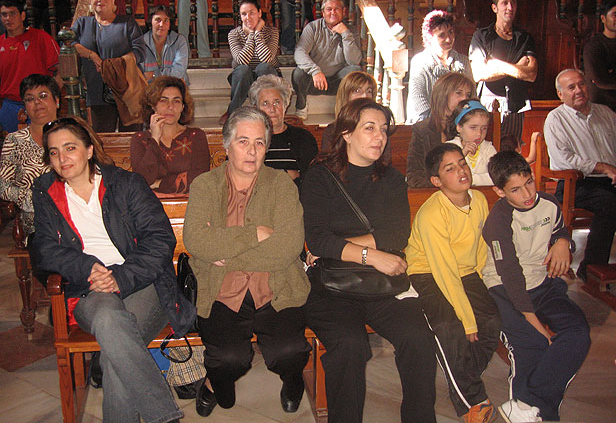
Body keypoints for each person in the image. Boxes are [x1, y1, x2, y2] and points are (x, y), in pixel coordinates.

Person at [32, 116, 194, 423]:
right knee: (108, 318)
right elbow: (44, 248)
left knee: (113, 352)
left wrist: (120, 277)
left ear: (89, 150)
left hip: (145, 284)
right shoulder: (45, 193)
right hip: (88, 288)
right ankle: (163, 415)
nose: (62, 158)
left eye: (70, 148)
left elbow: (159, 239)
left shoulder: (126, 184)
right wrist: (89, 268)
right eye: (54, 152)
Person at [301, 98, 437, 423]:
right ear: (347, 133)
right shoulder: (319, 177)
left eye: (384, 130)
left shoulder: (390, 180)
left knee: (418, 338)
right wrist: (371, 255)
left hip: (383, 285)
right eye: (370, 128)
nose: (380, 137)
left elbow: (396, 235)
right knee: (348, 345)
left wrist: (340, 246)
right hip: (332, 286)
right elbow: (316, 239)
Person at [183, 107, 311, 418]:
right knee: (229, 359)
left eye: (259, 142)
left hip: (276, 284)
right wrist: (256, 233)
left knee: (289, 351)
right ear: (226, 145)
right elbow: (196, 241)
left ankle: (292, 377)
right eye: (243, 141)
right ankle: (216, 383)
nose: (252, 151)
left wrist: (224, 249)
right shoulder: (205, 186)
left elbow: (288, 246)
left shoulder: (281, 184)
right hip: (222, 290)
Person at [483, 150, 590, 422]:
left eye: (529, 182)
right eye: (515, 190)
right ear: (499, 191)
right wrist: (536, 324)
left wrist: (565, 241)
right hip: (504, 288)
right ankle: (539, 410)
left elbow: (559, 230)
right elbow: (510, 276)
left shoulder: (550, 203)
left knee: (578, 332)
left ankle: (525, 405)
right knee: (532, 341)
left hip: (543, 283)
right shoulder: (498, 221)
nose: (527, 194)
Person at [406, 142, 501, 423]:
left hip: (465, 271)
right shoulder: (433, 213)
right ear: (437, 181)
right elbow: (444, 270)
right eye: (450, 168)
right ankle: (472, 402)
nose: (461, 171)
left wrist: (482, 282)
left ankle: (463, 373)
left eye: (462, 163)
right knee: (450, 327)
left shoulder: (480, 200)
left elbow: (482, 248)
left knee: (492, 320)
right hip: (427, 272)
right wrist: (467, 319)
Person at [543, 68, 616, 282]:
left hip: (610, 180)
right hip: (577, 183)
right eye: (571, 87)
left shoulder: (606, 113)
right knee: (611, 204)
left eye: (581, 84)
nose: (578, 90)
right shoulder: (556, 119)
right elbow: (565, 159)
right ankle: (592, 267)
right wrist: (603, 167)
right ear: (560, 94)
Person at [71, 0, 142, 132]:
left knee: (133, 140)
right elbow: (68, 44)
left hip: (127, 93)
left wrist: (112, 66)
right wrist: (92, 55)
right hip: (97, 92)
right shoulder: (82, 24)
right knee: (102, 141)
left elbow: (140, 52)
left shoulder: (127, 23)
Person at [0, 0, 60, 133]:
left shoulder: (42, 38)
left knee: (44, 145)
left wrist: (50, 96)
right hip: (10, 105)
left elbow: (63, 69)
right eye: (4, 15)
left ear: (22, 15)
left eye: (12, 14)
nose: (8, 19)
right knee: (14, 149)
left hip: (39, 102)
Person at [469, 0, 538, 140]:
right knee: (485, 150)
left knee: (511, 154)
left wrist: (497, 65)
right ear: (495, 8)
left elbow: (531, 74)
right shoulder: (482, 36)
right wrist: (518, 67)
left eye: (513, 3)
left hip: (517, 103)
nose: (510, 7)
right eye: (505, 3)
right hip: (487, 104)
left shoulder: (525, 38)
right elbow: (479, 73)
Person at [0, 74, 59, 239]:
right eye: (30, 99)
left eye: (43, 96)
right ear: (24, 107)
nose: (37, 102)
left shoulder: (73, 135)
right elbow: (4, 188)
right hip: (36, 221)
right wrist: (35, 199)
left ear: (57, 101)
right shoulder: (14, 141)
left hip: (75, 214)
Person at [130, 76, 209, 195]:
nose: (170, 107)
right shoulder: (140, 139)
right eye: (163, 100)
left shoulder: (196, 136)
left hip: (188, 207)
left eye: (176, 101)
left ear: (183, 107)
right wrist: (155, 139)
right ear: (153, 105)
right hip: (149, 208)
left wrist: (159, 184)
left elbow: (200, 180)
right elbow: (142, 181)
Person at [292, 0, 362, 119]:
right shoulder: (313, 28)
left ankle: (343, 108)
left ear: (343, 11)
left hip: (336, 82)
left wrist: (346, 34)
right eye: (329, 9)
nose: (333, 12)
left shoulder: (351, 31)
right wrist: (315, 71)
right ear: (323, 13)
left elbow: (354, 61)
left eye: (337, 9)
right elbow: (299, 51)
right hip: (314, 82)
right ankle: (301, 105)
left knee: (355, 72)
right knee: (298, 73)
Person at [407, 72, 476, 187]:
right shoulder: (422, 129)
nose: (465, 99)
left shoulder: (470, 128)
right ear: (443, 94)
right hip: (431, 193)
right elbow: (415, 175)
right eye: (459, 93)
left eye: (468, 95)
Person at [249, 75, 318, 189]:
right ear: (256, 108)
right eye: (265, 104)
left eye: (277, 102)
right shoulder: (247, 140)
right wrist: (287, 174)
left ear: (285, 104)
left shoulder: (303, 138)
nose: (272, 109)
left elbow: (313, 181)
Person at [407, 10, 472, 124]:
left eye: (451, 32)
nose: (448, 39)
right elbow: (418, 99)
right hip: (427, 123)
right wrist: (438, 122)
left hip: (458, 123)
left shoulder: (463, 61)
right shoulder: (420, 61)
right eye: (442, 35)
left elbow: (471, 95)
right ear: (429, 37)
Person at [223, 0, 280, 124]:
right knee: (243, 69)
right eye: (244, 14)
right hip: (244, 79)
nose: (247, 17)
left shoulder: (272, 32)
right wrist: (251, 36)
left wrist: (257, 33)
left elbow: (267, 59)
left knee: (263, 67)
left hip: (267, 74)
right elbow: (242, 60)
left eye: (252, 13)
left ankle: (267, 113)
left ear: (259, 13)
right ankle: (232, 112)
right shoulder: (233, 34)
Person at [133, 5, 190, 86]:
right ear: (150, 22)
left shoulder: (179, 41)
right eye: (158, 20)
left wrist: (154, 75)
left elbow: (179, 72)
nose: (161, 24)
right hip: (149, 88)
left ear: (170, 24)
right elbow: (140, 74)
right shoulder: (141, 43)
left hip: (175, 87)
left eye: (166, 20)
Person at [320, 70, 376, 151]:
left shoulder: (378, 129)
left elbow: (384, 162)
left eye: (369, 91)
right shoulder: (332, 131)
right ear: (346, 95)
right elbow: (328, 162)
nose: (365, 96)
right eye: (357, 91)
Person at [446, 100, 497, 186]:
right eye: (473, 127)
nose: (479, 134)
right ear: (459, 127)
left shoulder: (488, 148)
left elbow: (497, 177)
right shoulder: (449, 148)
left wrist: (470, 179)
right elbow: (448, 178)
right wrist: (462, 155)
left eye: (484, 128)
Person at [583, 0, 616, 113]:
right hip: (603, 105)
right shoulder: (594, 45)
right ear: (603, 18)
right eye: (614, 15)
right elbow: (599, 80)